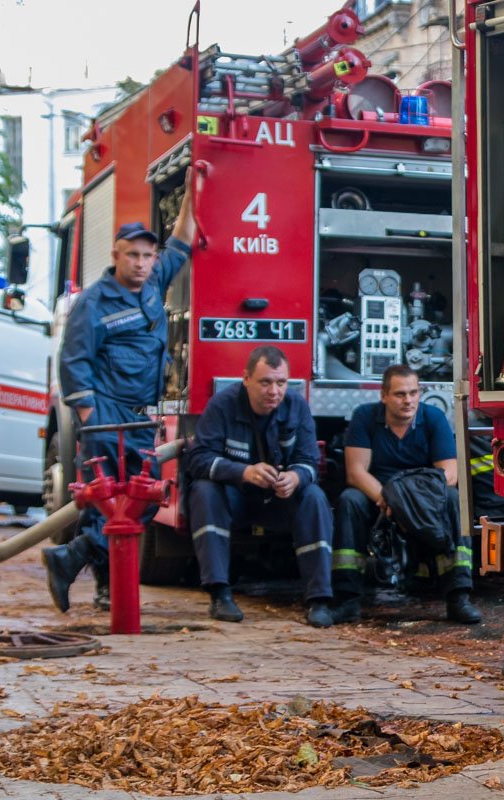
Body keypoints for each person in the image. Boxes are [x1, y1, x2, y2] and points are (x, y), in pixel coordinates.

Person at [42, 193, 195, 613]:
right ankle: (104, 585)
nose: (141, 263)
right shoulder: (94, 302)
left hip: (139, 418)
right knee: (109, 502)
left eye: (147, 256)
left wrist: (193, 185)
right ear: (116, 256)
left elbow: (182, 239)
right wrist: (92, 417)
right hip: (108, 417)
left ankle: (74, 560)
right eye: (133, 255)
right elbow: (73, 361)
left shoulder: (154, 283)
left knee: (139, 501)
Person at [184, 346, 344, 627]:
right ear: (246, 379)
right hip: (234, 499)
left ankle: (318, 600)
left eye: (281, 382)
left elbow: (309, 461)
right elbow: (198, 460)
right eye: (265, 382)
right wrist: (244, 472)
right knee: (204, 490)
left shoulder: (297, 406)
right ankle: (220, 594)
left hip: (279, 501)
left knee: (314, 496)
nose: (274, 391)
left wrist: (295, 478)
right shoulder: (222, 405)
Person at [332, 364, 481, 624]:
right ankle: (347, 600)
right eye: (400, 394)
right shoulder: (365, 416)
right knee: (349, 500)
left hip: (422, 499)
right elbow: (356, 473)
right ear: (383, 396)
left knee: (452, 498)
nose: (408, 401)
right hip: (379, 498)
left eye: (414, 393)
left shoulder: (433, 418)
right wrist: (392, 501)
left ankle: (458, 598)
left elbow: (449, 474)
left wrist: (408, 502)